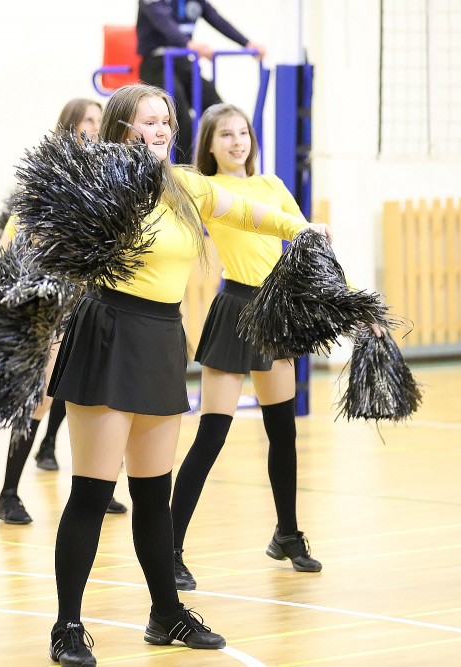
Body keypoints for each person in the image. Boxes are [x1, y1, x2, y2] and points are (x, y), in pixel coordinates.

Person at [45, 84, 332, 666]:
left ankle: (165, 613)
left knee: (154, 494)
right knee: (92, 494)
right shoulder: (97, 183)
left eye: (166, 121)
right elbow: (54, 249)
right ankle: (67, 625)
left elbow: (245, 211)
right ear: (122, 128)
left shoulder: (186, 185)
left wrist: (300, 230)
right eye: (148, 121)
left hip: (162, 336)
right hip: (108, 332)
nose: (160, 130)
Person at [169, 104, 324, 592]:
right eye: (226, 135)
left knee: (283, 433)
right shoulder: (207, 189)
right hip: (234, 309)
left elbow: (306, 240)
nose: (237, 142)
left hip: (275, 311)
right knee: (211, 436)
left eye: (243, 133)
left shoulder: (272, 184)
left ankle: (287, 534)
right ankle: (169, 549)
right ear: (210, 145)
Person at [0, 98, 127, 525]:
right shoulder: (49, 176)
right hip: (54, 302)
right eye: (89, 120)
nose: (96, 127)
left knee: (98, 397)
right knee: (41, 398)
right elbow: (9, 241)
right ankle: (9, 493)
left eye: (100, 120)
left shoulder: (111, 176)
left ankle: (97, 487)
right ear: (70, 126)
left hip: (98, 303)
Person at [137, 0, 266, 163]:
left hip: (183, 62)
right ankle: (185, 170)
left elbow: (216, 18)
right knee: (178, 112)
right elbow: (162, 20)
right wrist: (188, 43)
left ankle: (228, 163)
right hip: (156, 62)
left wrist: (247, 43)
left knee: (219, 109)